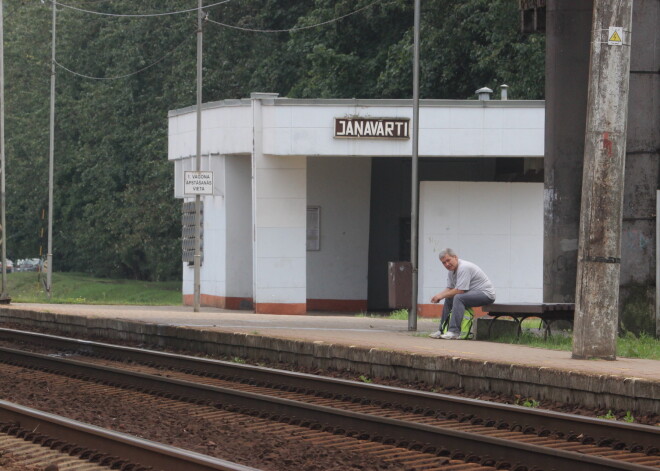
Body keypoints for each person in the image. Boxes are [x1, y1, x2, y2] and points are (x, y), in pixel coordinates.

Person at [429, 248, 495, 339]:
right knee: (449, 298)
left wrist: (441, 296)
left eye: (448, 260)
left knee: (458, 297)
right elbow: (450, 288)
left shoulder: (464, 267)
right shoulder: (451, 271)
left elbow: (460, 291)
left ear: (455, 257)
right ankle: (441, 330)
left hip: (486, 294)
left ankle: (454, 331)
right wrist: (438, 296)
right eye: (443, 263)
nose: (447, 264)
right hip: (472, 294)